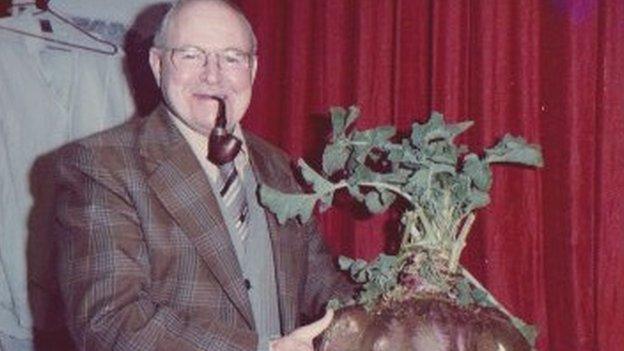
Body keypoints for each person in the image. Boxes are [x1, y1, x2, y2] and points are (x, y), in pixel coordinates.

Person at [54, 0, 354, 350]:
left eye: (231, 58)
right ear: (157, 64)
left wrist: (405, 303)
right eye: (191, 55)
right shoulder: (102, 165)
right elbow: (109, 320)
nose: (213, 75)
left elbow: (324, 287)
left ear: (253, 70)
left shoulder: (280, 169)